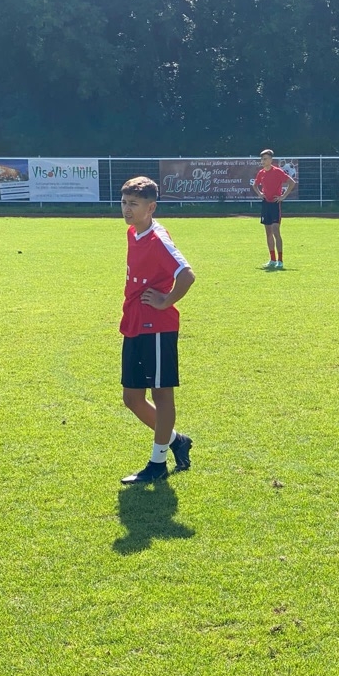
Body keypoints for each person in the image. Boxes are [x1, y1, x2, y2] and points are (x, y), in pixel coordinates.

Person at [119, 176, 196, 485]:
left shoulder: (158, 239)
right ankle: (177, 440)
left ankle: (158, 462)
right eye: (124, 202)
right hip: (134, 322)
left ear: (151, 207)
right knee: (132, 398)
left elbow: (187, 275)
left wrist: (166, 301)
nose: (127, 209)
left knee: (161, 394)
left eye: (134, 204)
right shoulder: (132, 232)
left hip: (157, 328)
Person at [253, 149, 296, 270]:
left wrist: (283, 196)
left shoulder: (277, 171)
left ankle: (280, 261)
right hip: (266, 204)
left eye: (265, 159)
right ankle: (272, 259)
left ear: (271, 160)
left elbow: (292, 183)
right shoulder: (261, 173)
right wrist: (260, 193)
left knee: (276, 230)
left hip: (275, 204)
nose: (263, 161)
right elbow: (255, 185)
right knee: (268, 233)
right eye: (262, 159)